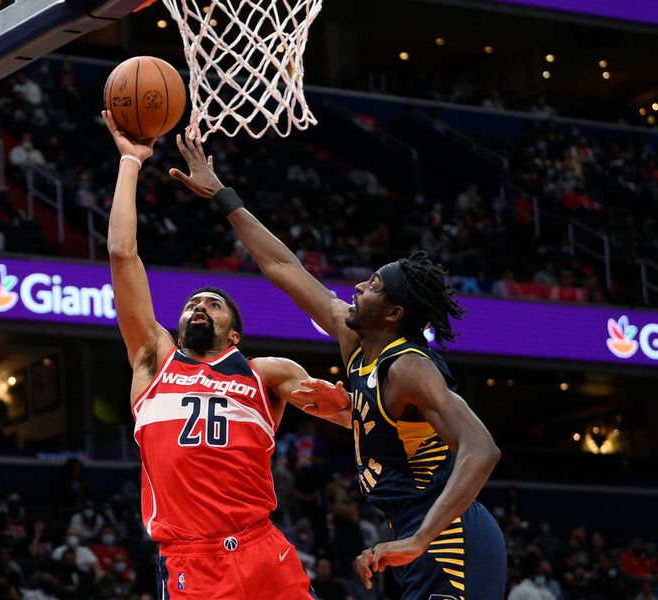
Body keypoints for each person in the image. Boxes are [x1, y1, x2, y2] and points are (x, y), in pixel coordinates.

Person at [170, 132, 506, 599]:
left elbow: (482, 448)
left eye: (374, 286)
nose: (359, 288)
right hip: (411, 533)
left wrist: (418, 540)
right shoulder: (355, 341)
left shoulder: (408, 367)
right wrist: (223, 197)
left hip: (449, 539)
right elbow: (283, 267)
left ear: (393, 314)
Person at [101, 111, 351, 600]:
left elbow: (348, 419)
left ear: (234, 334)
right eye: (192, 304)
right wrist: (131, 162)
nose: (199, 307)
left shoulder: (266, 373)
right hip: (193, 560)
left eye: (213, 305)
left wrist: (343, 406)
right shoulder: (154, 360)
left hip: (264, 551)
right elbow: (122, 255)